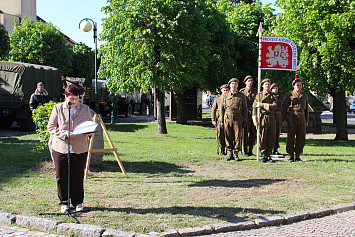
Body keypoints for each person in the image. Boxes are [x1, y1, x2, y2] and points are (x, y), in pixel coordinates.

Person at [47, 84, 93, 213]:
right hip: (61, 147)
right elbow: (51, 127)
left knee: (77, 176)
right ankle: (64, 202)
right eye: (71, 98)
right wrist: (65, 134)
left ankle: (78, 202)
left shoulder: (85, 109)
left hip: (79, 148)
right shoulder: (57, 108)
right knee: (61, 175)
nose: (73, 101)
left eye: (76, 98)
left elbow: (90, 127)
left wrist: (87, 132)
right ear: (65, 96)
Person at [282, 78, 309, 162]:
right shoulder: (289, 95)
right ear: (294, 85)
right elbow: (284, 108)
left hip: (301, 118)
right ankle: (291, 155)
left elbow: (307, 109)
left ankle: (298, 155)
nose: (299, 87)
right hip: (292, 118)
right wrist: (284, 119)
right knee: (290, 137)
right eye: (297, 85)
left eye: (300, 85)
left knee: (301, 137)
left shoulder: (304, 95)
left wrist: (306, 120)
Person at [253, 78, 277, 163]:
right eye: (266, 84)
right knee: (262, 136)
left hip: (271, 117)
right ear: (262, 85)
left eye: (269, 84)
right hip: (262, 117)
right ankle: (263, 154)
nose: (267, 86)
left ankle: (269, 154)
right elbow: (254, 108)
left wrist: (263, 105)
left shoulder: (273, 95)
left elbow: (275, 105)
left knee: (271, 136)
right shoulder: (259, 95)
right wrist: (255, 119)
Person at [223, 78, 247, 161]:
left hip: (238, 118)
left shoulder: (241, 95)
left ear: (237, 85)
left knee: (237, 136)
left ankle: (236, 153)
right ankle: (230, 153)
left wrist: (245, 120)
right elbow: (222, 108)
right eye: (232, 84)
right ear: (229, 85)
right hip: (228, 117)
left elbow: (245, 109)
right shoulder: (225, 95)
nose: (234, 86)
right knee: (228, 135)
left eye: (235, 84)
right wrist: (222, 120)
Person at [240, 75, 257, 156]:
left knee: (253, 133)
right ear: (245, 82)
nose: (250, 83)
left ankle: (251, 150)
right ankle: (245, 150)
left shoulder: (256, 91)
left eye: (251, 81)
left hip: (253, 113)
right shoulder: (242, 92)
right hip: (245, 113)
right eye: (248, 81)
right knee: (245, 132)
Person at [211, 84, 229, 155]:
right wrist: (213, 119)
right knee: (221, 135)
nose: (225, 92)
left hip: (229, 119)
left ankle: (228, 149)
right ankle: (222, 149)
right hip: (220, 120)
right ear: (221, 91)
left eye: (227, 90)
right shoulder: (217, 99)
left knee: (228, 135)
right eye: (224, 90)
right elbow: (213, 109)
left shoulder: (230, 98)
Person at [270, 83, 283, 156]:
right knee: (271, 133)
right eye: (274, 88)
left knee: (277, 132)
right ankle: (270, 149)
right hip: (272, 115)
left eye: (276, 88)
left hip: (278, 116)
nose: (275, 90)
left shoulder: (280, 97)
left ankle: (275, 149)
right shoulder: (270, 97)